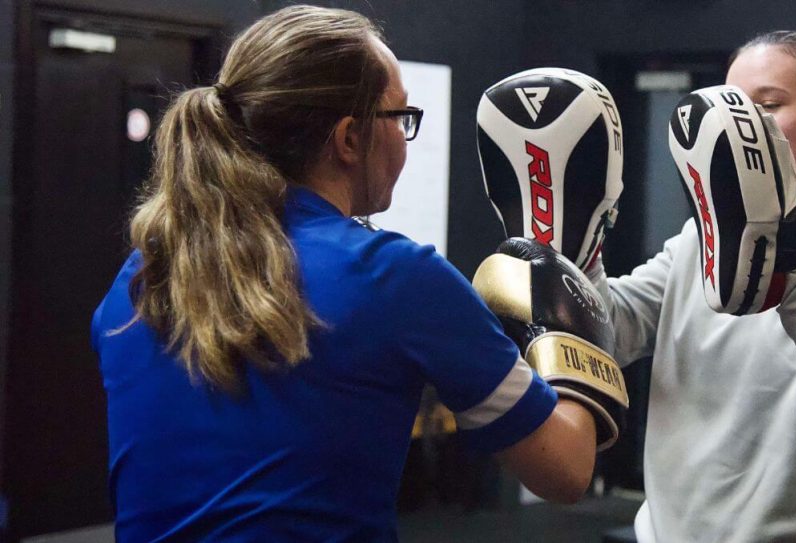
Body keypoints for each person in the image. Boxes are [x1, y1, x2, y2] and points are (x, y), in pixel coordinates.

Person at [90, 5, 612, 541]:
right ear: (349, 139)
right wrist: (572, 315)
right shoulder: (395, 277)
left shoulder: (139, 280)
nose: (405, 140)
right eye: (401, 118)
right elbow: (566, 469)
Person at [589, 31, 796, 541]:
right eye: (732, 108)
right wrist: (572, 246)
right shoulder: (694, 243)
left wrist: (785, 233)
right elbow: (609, 330)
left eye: (767, 106)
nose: (741, 126)